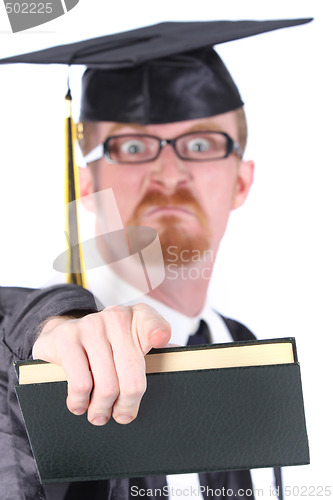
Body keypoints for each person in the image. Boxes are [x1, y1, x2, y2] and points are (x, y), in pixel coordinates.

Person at [0, 19, 311, 500]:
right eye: (132, 146)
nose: (169, 172)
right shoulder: (35, 366)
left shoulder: (246, 353)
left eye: (202, 144)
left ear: (242, 182)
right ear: (87, 185)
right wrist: (50, 325)